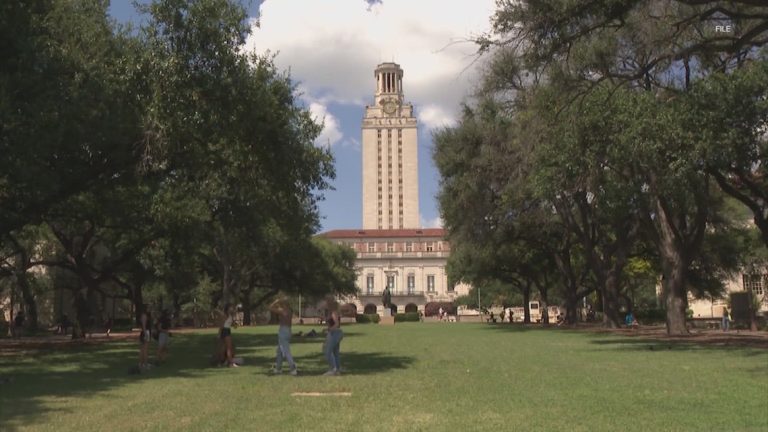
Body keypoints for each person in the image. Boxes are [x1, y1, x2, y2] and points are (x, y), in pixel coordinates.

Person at [270, 298, 298, 375]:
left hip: (283, 331)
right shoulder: (289, 311)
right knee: (279, 351)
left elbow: (271, 307)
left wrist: (276, 301)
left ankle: (293, 368)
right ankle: (278, 368)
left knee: (286, 350)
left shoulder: (283, 311)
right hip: (288, 330)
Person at [323, 298, 344, 376]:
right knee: (335, 352)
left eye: (326, 302)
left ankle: (333, 369)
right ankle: (337, 369)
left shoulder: (333, 312)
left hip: (335, 333)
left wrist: (329, 329)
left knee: (327, 350)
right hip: (334, 332)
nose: (325, 303)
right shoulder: (329, 312)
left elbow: (336, 324)